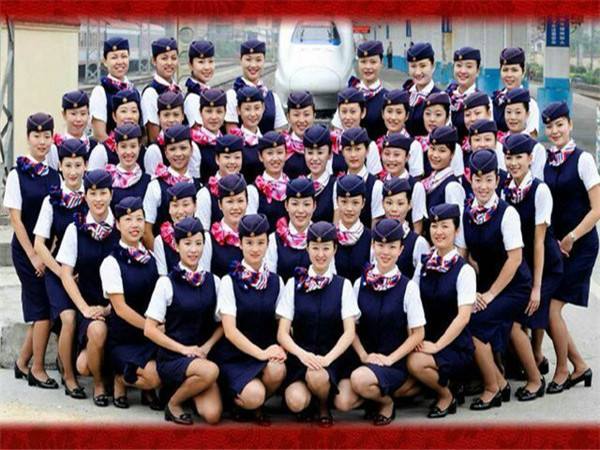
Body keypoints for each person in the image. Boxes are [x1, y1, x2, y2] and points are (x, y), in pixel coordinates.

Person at [456, 150, 533, 410]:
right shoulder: (467, 213)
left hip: (514, 286)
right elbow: (462, 256)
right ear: (470, 180)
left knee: (474, 327)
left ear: (497, 180)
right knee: (467, 318)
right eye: (478, 180)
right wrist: (470, 292)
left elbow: (515, 259)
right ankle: (500, 382)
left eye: (489, 180)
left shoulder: (506, 213)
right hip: (486, 285)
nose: (483, 186)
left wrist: (490, 295)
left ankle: (493, 387)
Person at [542, 101, 600, 393]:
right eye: (550, 126)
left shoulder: (583, 159)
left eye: (559, 125)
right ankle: (579, 366)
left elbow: (597, 208)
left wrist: (572, 237)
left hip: (581, 245)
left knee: (552, 307)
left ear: (570, 125)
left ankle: (563, 369)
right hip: (558, 247)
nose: (554, 131)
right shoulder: (547, 160)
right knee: (546, 306)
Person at [277, 221, 360, 426]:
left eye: (326, 248)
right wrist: (302, 355)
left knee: (333, 391)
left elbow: (349, 332)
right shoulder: (293, 284)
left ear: (335, 249)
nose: (320, 254)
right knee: (295, 401)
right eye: (315, 248)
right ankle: (312, 400)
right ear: (307, 248)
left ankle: (323, 405)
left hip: (334, 359)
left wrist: (327, 359)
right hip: (301, 359)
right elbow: (282, 333)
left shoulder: (344, 285)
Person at [347, 218, 426, 424]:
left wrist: (390, 359)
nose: (385, 252)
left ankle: (386, 402)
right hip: (365, 360)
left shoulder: (409, 287)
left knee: (359, 380)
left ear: (401, 250)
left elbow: (418, 333)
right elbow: (350, 329)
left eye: (392, 247)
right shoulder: (359, 284)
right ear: (373, 246)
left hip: (393, 363)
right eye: (380, 246)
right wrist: (364, 355)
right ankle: (374, 396)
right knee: (343, 402)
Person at [146, 217, 222, 425]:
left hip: (201, 357)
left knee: (213, 415)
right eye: (187, 244)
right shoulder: (166, 283)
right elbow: (149, 329)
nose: (193, 250)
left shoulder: (214, 282)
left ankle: (185, 390)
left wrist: (206, 347)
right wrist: (183, 350)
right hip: (173, 357)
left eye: (198, 243)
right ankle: (174, 403)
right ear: (176, 246)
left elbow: (222, 324)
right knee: (211, 371)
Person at [502, 133, 563, 393]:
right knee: (530, 316)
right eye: (509, 157)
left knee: (536, 314)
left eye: (519, 157)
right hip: (524, 263)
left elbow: (538, 242)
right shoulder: (505, 189)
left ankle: (549, 374)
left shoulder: (540, 190)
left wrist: (536, 287)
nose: (513, 163)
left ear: (530, 159)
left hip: (546, 266)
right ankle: (538, 359)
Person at [4, 113, 61, 389]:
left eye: (46, 136)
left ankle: (22, 362)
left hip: (47, 251)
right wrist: (34, 255)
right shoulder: (18, 174)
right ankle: (37, 370)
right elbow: (15, 220)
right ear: (28, 138)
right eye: (36, 136)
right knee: (42, 311)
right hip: (27, 251)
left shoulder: (55, 175)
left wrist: (50, 252)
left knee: (43, 308)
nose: (42, 141)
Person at [212, 214, 286, 424]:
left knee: (278, 370)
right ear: (240, 243)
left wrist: (279, 349)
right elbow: (230, 331)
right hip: (235, 356)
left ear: (268, 244)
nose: (255, 249)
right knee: (254, 394)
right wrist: (261, 353)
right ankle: (240, 402)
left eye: (260, 243)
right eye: (249, 243)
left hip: (264, 353)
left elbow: (282, 324)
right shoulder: (229, 281)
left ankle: (253, 406)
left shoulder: (276, 281)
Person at [57, 169, 119, 406]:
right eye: (93, 194)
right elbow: (65, 273)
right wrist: (85, 309)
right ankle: (99, 384)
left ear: (111, 194)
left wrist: (110, 308)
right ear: (85, 196)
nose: (98, 199)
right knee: (86, 357)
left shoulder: (122, 225)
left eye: (103, 193)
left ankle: (116, 377)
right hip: (89, 306)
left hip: (119, 308)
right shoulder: (76, 229)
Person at [408, 204, 475, 418]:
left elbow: (463, 317)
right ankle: (447, 384)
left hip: (453, 345)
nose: (438, 232)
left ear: (456, 230)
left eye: (445, 226)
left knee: (415, 363)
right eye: (434, 226)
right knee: (402, 390)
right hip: (426, 338)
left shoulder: (464, 270)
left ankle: (447, 396)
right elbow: (412, 301)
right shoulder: (424, 263)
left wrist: (437, 346)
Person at [33, 139, 87, 398]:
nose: (73, 171)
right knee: (68, 318)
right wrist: (60, 272)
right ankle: (69, 377)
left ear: (85, 166)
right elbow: (39, 244)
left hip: (86, 271)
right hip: (58, 271)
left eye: (78, 165)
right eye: (68, 165)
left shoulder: (93, 195)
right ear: (60, 167)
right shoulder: (51, 200)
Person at [99, 197, 161, 409]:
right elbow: (121, 309)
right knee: (154, 377)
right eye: (128, 219)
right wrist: (152, 328)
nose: (135, 225)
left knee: (168, 369)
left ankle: (146, 389)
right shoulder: (111, 262)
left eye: (139, 219)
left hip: (150, 338)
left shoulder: (152, 257)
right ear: (117, 224)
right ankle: (120, 380)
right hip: (124, 340)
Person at [143, 124, 200, 246]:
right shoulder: (155, 186)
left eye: (183, 148)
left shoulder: (198, 186)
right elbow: (146, 232)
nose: (178, 154)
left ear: (191, 149)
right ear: (166, 152)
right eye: (172, 149)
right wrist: (160, 254)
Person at [195, 134, 258, 230]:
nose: (232, 162)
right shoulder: (205, 194)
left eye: (237, 157)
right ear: (217, 159)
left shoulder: (250, 190)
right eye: (227, 157)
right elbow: (203, 232)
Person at [225, 39, 287, 134]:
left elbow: (280, 132)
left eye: (258, 60)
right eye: (248, 59)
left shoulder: (273, 97)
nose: (253, 65)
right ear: (241, 60)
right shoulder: (232, 96)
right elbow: (231, 134)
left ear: (264, 61)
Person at [413, 126, 465, 238]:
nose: (435, 155)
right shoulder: (430, 180)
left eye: (442, 150)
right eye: (432, 149)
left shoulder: (452, 186)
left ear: (452, 154)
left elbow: (458, 227)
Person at [332, 40, 388, 140]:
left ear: (381, 63)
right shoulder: (348, 94)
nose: (368, 67)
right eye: (363, 62)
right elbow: (337, 130)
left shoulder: (387, 98)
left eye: (373, 62)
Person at [154, 182, 212, 276]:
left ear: (195, 205)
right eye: (175, 206)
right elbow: (162, 276)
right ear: (169, 209)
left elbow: (205, 273)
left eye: (185, 205)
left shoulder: (205, 237)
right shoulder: (160, 241)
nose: (180, 211)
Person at [143, 91, 202, 179]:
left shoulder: (192, 146)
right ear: (159, 117)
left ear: (183, 116)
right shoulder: (154, 150)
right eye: (166, 115)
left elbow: (195, 179)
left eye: (176, 115)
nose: (171, 120)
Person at [265, 177, 315, 280]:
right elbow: (270, 279)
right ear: (286, 205)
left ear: (314, 206)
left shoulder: (321, 237)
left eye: (306, 204)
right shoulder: (275, 239)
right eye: (295, 204)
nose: (300, 210)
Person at [334, 127, 384, 228]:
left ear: (367, 150)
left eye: (358, 149)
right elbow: (337, 220)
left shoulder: (376, 186)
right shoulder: (338, 184)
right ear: (342, 152)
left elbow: (376, 225)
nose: (353, 155)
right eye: (348, 149)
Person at [382, 177, 429, 277]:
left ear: (409, 205)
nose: (394, 209)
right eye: (389, 203)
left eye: (400, 204)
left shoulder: (418, 243)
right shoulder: (374, 237)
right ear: (382, 203)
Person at [330, 88, 383, 176]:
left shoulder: (370, 146)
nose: (348, 117)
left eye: (353, 112)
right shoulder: (333, 143)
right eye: (344, 112)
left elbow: (373, 179)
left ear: (363, 112)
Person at [90, 37, 134, 142]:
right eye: (114, 57)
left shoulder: (133, 90)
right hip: (110, 150)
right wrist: (118, 150)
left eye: (124, 56)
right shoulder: (100, 91)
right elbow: (99, 134)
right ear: (105, 61)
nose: (120, 62)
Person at [88, 89, 144, 171]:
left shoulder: (144, 151)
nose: (129, 116)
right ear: (114, 116)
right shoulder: (102, 151)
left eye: (134, 111)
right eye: (123, 111)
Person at [492, 47, 540, 137]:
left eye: (514, 70)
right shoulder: (494, 101)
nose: (509, 75)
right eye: (505, 70)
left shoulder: (530, 104)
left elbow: (531, 137)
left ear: (523, 72)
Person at [377, 90, 424, 179]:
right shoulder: (379, 142)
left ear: (406, 116)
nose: (393, 117)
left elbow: (416, 179)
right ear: (383, 114)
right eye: (389, 111)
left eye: (399, 112)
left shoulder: (413, 145)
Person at [334, 175, 373, 282]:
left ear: (363, 203)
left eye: (355, 203)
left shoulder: (371, 238)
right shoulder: (329, 236)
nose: (349, 209)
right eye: (344, 202)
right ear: (337, 201)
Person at [141, 37, 181, 142]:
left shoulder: (177, 89)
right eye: (164, 58)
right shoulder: (151, 93)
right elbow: (154, 137)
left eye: (173, 58)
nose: (169, 63)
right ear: (154, 61)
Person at [501, 88, 546, 178]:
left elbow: (538, 179)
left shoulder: (536, 148)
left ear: (527, 114)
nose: (512, 117)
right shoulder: (500, 144)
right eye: (508, 112)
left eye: (518, 112)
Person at [209, 174, 248, 277]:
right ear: (220, 204)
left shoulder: (255, 234)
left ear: (247, 202)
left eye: (240, 201)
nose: (235, 207)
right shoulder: (210, 239)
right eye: (230, 202)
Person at [47, 90, 95, 171]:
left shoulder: (94, 147)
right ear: (64, 114)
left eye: (83, 114)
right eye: (73, 114)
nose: (78, 119)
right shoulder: (54, 148)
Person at [106, 123, 151, 208]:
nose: (128, 152)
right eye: (123, 147)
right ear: (116, 148)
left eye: (133, 146)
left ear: (139, 147)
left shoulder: (148, 181)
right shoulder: (108, 180)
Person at [403, 42, 441, 137]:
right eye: (413, 66)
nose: (418, 72)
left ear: (433, 66)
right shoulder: (404, 94)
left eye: (423, 66)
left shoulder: (440, 97)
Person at [254, 131, 289, 230]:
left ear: (286, 154)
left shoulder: (292, 186)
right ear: (260, 156)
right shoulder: (253, 190)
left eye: (280, 152)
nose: (275, 158)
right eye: (270, 153)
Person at [445, 47, 481, 141]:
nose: (463, 71)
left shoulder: (482, 101)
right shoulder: (445, 96)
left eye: (469, 66)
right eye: (459, 65)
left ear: (478, 71)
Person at [192, 88, 227, 184]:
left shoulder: (227, 140)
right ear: (200, 112)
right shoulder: (194, 145)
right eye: (209, 111)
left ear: (225, 112)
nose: (214, 117)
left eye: (219, 112)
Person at [304, 124, 336, 223]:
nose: (314, 158)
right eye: (310, 153)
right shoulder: (301, 184)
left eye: (320, 153)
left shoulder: (336, 186)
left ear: (330, 154)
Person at [282, 91, 315, 179]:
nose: (301, 120)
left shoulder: (323, 143)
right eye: (296, 115)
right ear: (288, 117)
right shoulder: (282, 145)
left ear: (314, 116)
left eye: (306, 114)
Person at [184, 40, 216, 127]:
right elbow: (198, 133)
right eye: (201, 62)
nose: (207, 67)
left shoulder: (203, 91)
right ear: (190, 65)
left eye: (211, 61)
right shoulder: (193, 99)